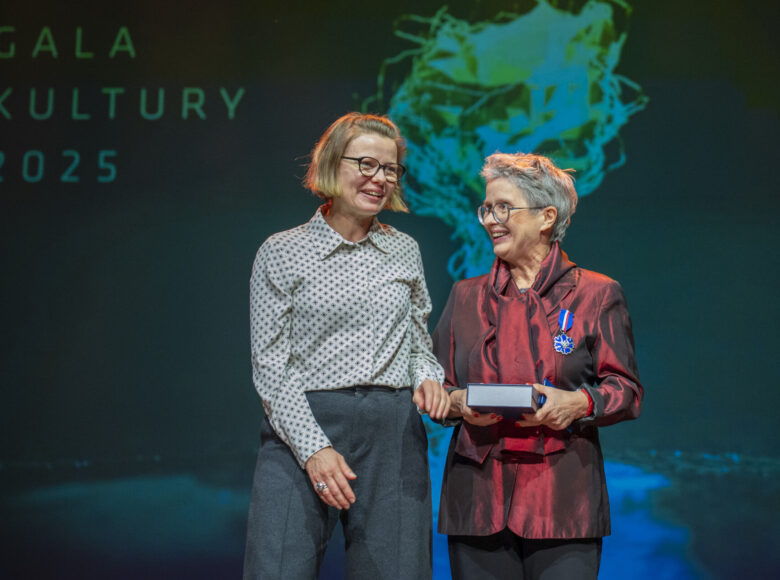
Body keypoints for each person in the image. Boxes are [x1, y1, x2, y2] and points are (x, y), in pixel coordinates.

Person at [243, 112, 450, 580]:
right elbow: (272, 368)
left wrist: (430, 378)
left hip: (392, 431)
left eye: (391, 169)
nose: (380, 179)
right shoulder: (282, 251)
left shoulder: (404, 250)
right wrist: (315, 449)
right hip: (303, 430)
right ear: (334, 165)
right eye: (367, 164)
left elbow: (418, 344)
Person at [433, 152, 643, 579]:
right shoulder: (466, 296)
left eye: (504, 208)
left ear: (547, 217)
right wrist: (456, 403)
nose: (491, 219)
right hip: (477, 497)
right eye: (487, 208)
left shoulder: (597, 294)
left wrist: (579, 402)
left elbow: (626, 390)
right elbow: (437, 385)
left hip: (562, 498)